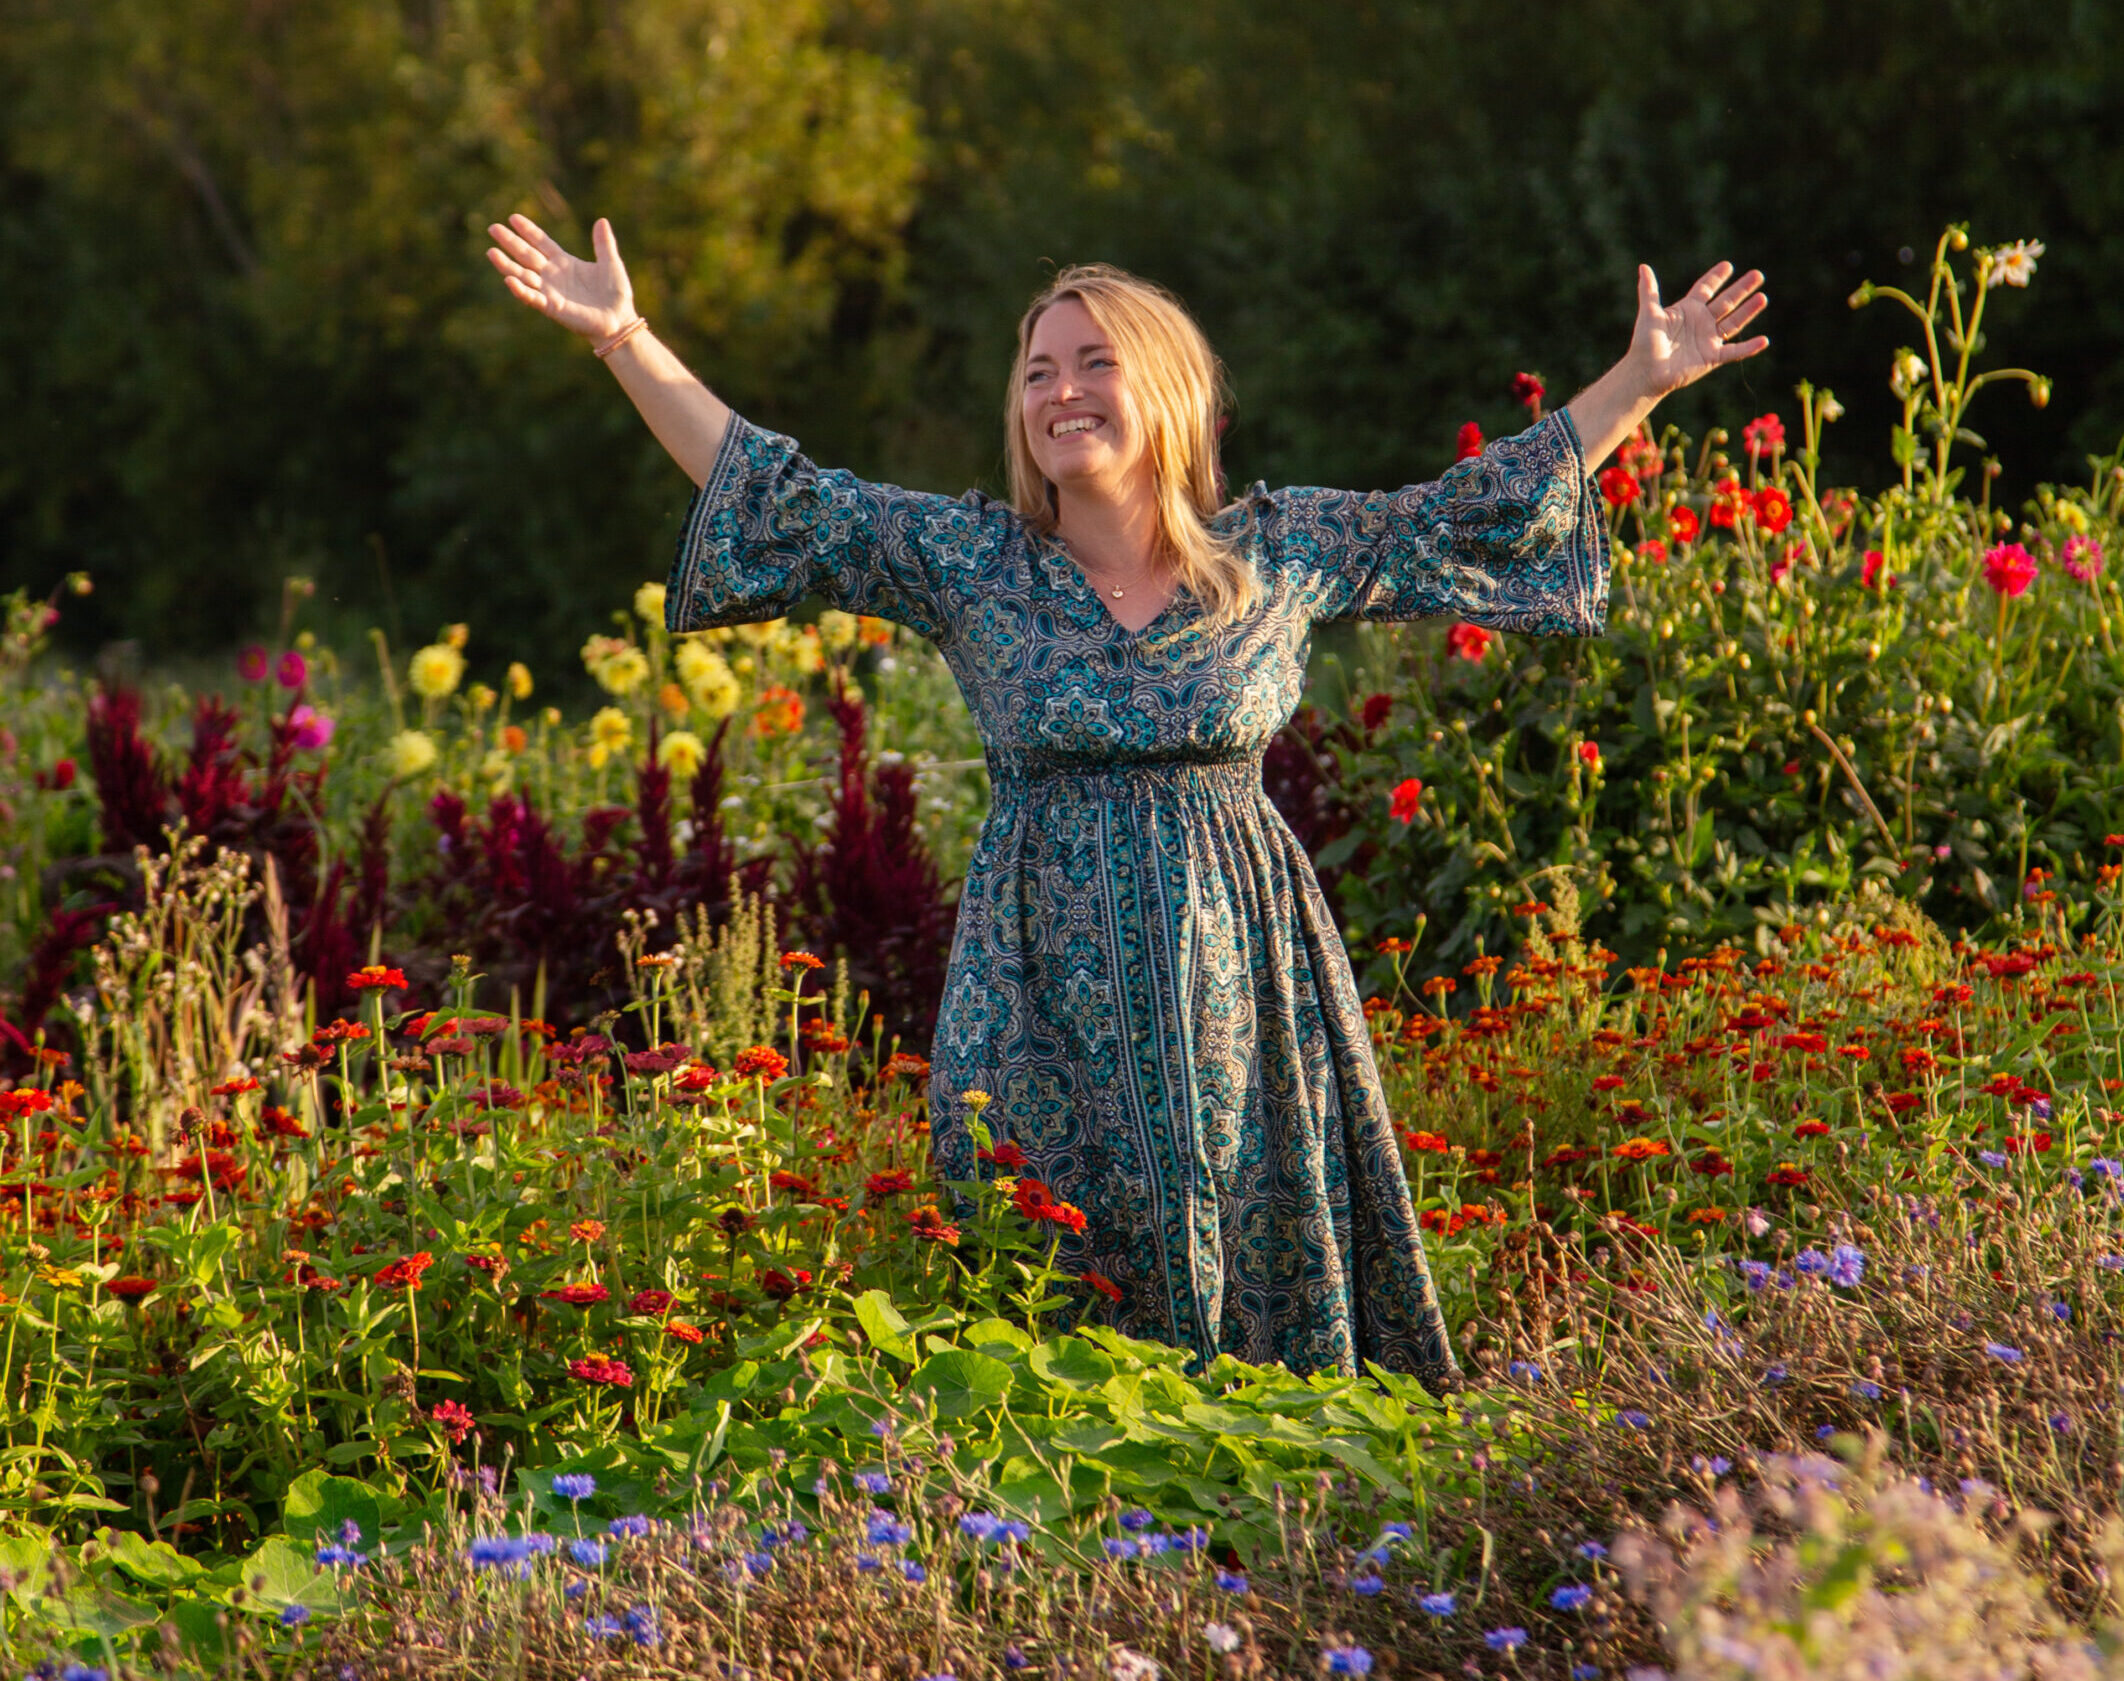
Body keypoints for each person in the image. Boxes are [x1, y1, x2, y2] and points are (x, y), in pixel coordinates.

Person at [486, 215, 1767, 1388]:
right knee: (1045, 1273)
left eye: (1091, 362)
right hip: (1039, 985)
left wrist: (1641, 381)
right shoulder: (975, 564)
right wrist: (625, 338)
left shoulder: (1282, 552)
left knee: (1261, 1263)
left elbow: (1473, 514)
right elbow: (780, 492)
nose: (1058, 393)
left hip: (1247, 980)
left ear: (1165, 388)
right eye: (1037, 373)